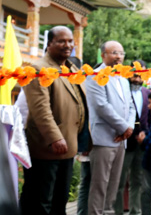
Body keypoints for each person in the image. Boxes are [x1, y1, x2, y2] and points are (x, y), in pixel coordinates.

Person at [20, 26, 89, 215]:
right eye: (61, 41)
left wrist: (86, 136)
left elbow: (81, 105)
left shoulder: (72, 68)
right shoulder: (37, 68)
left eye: (70, 41)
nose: (67, 45)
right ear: (49, 44)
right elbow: (41, 109)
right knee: (41, 201)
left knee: (60, 199)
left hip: (68, 145)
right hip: (48, 146)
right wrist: (54, 137)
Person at [84, 41, 136, 215]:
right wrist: (124, 127)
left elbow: (130, 106)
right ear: (103, 55)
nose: (119, 56)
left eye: (121, 53)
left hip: (122, 139)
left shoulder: (123, 77)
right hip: (104, 138)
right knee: (100, 184)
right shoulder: (94, 76)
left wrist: (128, 127)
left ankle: (108, 212)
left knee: (115, 183)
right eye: (114, 52)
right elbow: (101, 106)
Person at [114, 61, 151, 215]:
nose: (137, 79)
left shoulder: (147, 93)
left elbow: (149, 118)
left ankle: (135, 211)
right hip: (124, 139)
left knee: (138, 180)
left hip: (142, 142)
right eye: (134, 76)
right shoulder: (122, 91)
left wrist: (146, 134)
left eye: (140, 76)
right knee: (120, 179)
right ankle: (117, 211)